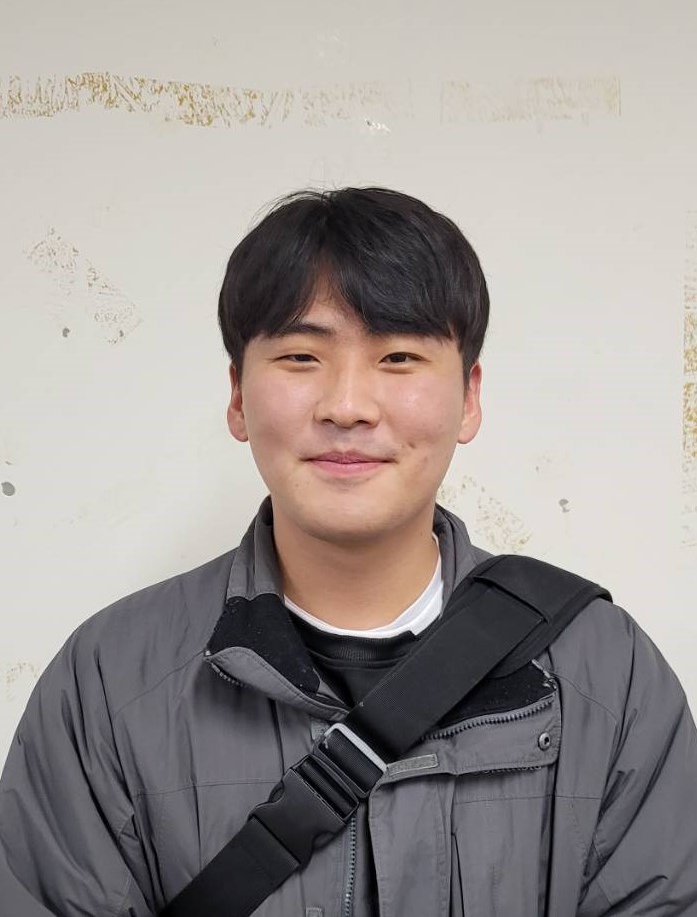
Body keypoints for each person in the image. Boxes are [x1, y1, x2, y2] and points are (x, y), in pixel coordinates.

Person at [1, 187, 696, 917]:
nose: (347, 406)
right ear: (237, 396)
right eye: (301, 356)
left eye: (398, 356)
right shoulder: (109, 681)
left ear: (468, 398)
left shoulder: (605, 672)